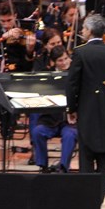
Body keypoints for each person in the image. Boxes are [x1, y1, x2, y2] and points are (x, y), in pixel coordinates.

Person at [66, 14, 105, 200]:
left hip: (87, 109)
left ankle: (87, 198)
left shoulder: (80, 52)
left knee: (86, 153)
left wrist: (71, 109)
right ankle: (100, 196)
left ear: (91, 31)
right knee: (104, 155)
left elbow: (72, 84)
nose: (82, 31)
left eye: (84, 28)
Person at [32, 45, 77, 173]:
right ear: (53, 62)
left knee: (70, 135)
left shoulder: (77, 74)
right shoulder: (47, 76)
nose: (64, 63)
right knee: (37, 132)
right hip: (50, 120)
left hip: (70, 122)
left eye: (66, 59)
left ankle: (63, 167)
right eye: (60, 61)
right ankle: (43, 166)